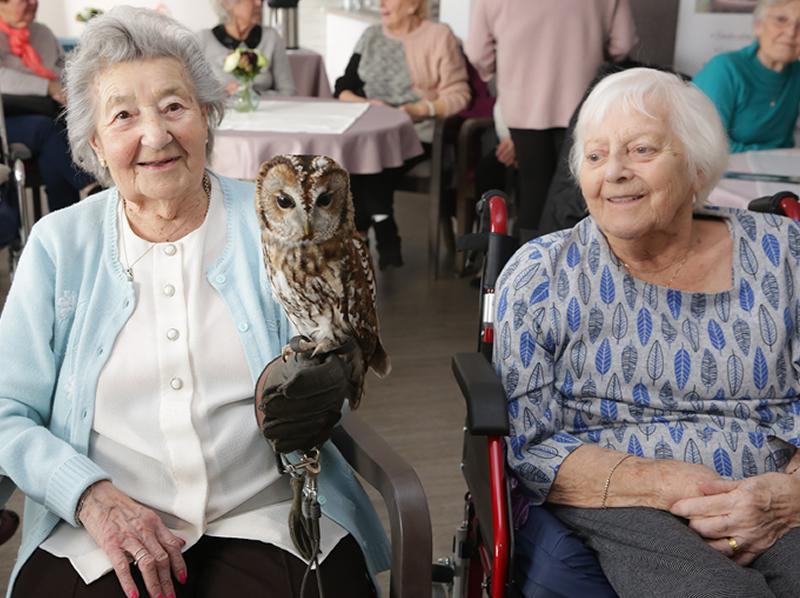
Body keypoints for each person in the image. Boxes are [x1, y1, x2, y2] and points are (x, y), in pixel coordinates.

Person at [0, 7, 386, 598]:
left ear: (207, 117)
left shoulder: (281, 227)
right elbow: (6, 411)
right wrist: (87, 495)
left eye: (175, 106)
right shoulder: (59, 246)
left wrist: (320, 380)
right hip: (97, 533)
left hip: (268, 518)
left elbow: (333, 352)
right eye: (124, 115)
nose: (155, 135)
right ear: (96, 144)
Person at [495, 67, 800, 598]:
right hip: (616, 494)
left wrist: (787, 495)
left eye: (641, 150)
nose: (613, 172)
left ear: (698, 167)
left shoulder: (784, 254)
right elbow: (529, 440)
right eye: (594, 156)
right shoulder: (542, 272)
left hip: (770, 486)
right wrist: (664, 482)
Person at [465, 0, 637, 238]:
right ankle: (579, 267)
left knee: (533, 194)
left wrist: (508, 66)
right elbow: (622, 44)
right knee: (580, 195)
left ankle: (532, 269)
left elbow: (477, 52)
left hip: (523, 104)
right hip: (583, 104)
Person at [334, 0, 470, 270]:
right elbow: (342, 87)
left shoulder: (438, 35)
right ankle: (384, 233)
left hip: (416, 134)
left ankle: (362, 243)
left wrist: (415, 110)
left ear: (413, 4)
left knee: (370, 166)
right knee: (358, 159)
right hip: (368, 132)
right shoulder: (371, 35)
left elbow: (458, 95)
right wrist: (367, 104)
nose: (381, 3)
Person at [0, 0, 95, 212]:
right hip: (6, 122)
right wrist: (48, 87)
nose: (32, 4)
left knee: (55, 143)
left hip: (47, 115)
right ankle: (91, 186)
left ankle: (63, 224)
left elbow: (65, 68)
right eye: (24, 0)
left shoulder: (42, 32)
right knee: (48, 129)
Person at [694, 0, 800, 153]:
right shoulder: (725, 68)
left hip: (778, 168)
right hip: (726, 171)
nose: (791, 32)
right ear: (758, 26)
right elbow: (705, 145)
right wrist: (770, 156)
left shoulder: (796, 73)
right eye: (781, 20)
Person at [197, 0, 295, 97]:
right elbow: (192, 93)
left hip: (264, 110)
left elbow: (288, 91)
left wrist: (254, 95)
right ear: (228, 3)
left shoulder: (271, 37)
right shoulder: (203, 39)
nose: (259, 3)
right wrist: (222, 94)